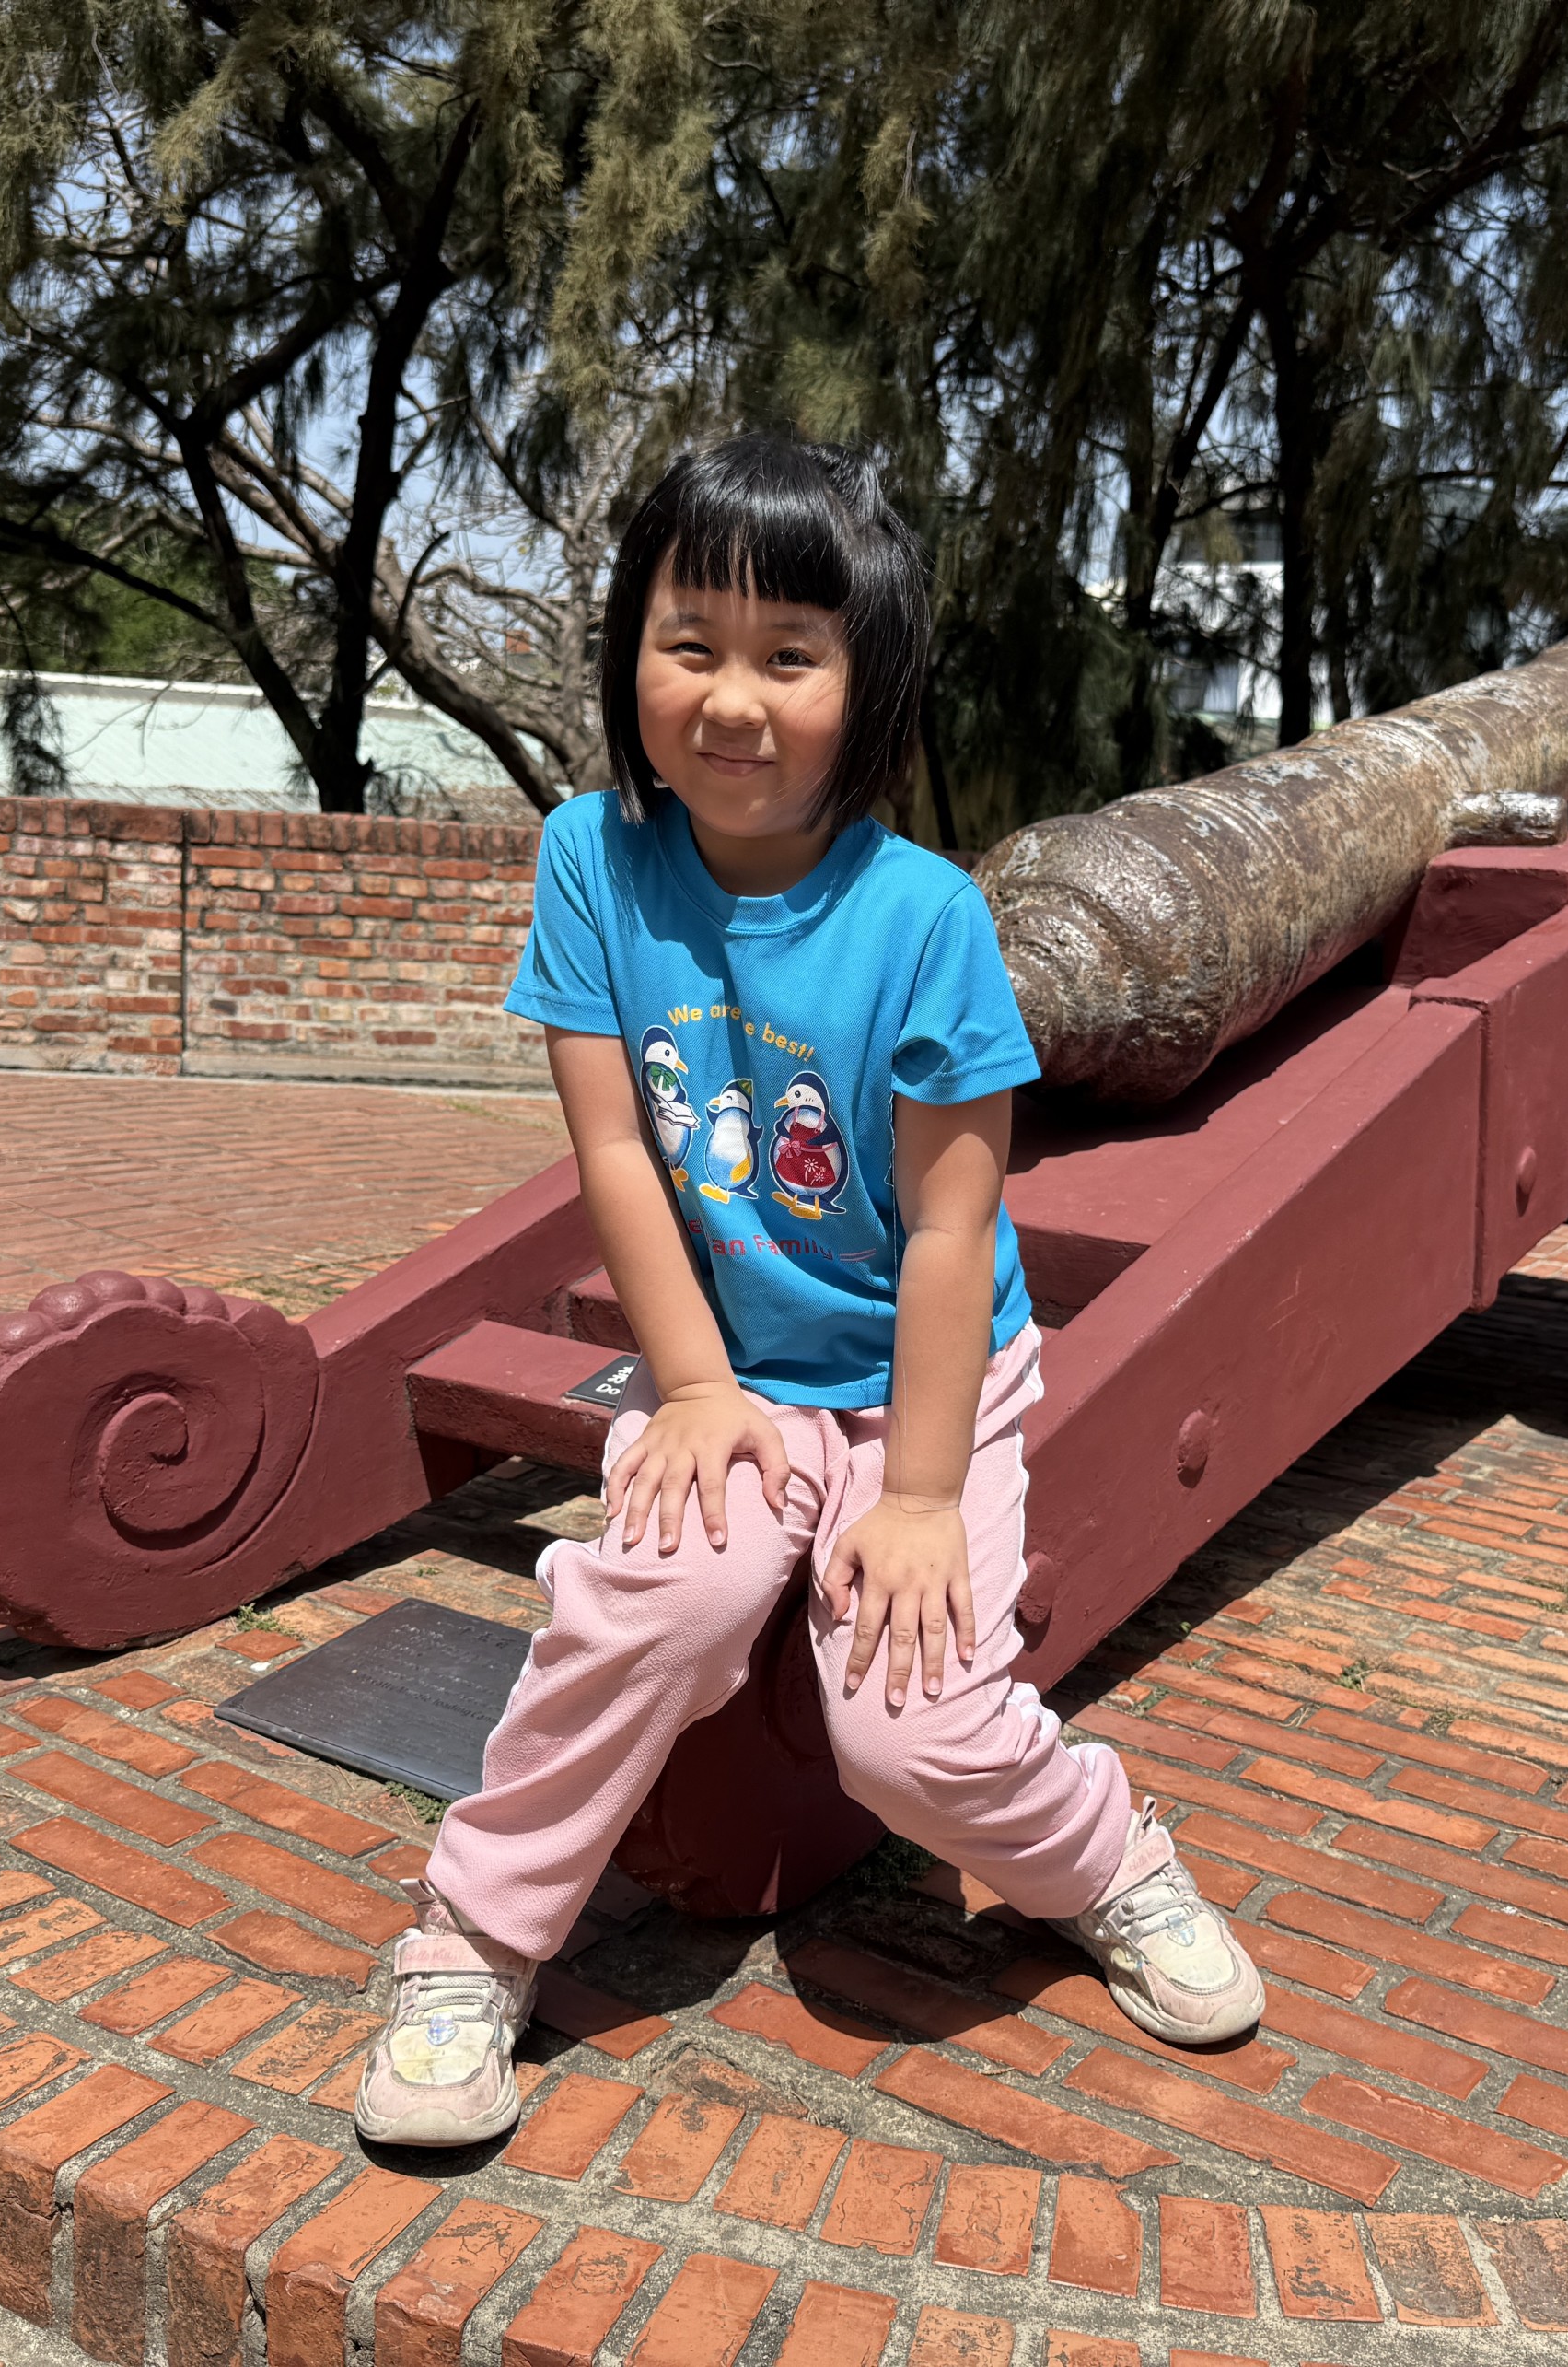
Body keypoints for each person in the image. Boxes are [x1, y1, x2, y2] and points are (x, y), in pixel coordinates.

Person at [354, 433, 1264, 2148]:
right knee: (655, 1605)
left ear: (870, 683)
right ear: (630, 650)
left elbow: (951, 1235)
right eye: (689, 643)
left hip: (925, 1377)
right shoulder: (592, 861)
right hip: (730, 1365)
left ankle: (1108, 1858)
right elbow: (615, 1151)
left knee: (912, 1740)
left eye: (790, 655)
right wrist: (697, 1387)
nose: (732, 699)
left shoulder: (925, 920)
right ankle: (474, 1932)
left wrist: (917, 1493)